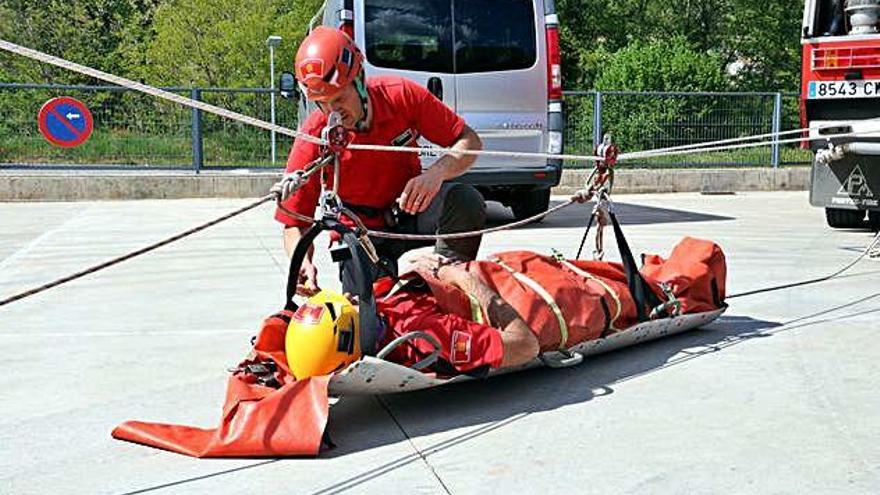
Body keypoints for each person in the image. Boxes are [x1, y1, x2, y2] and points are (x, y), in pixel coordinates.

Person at [285, 237, 728, 378]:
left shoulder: (373, 314)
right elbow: (522, 345)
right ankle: (692, 272)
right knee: (639, 290)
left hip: (512, 272)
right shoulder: (430, 339)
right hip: (533, 300)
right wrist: (472, 284)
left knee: (610, 270)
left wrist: (426, 268)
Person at [275, 27, 486, 296]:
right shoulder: (316, 135)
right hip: (361, 234)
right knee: (371, 311)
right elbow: (294, 221)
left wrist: (436, 173)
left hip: (409, 212)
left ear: (360, 79)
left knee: (464, 200)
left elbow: (469, 140)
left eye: (339, 98)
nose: (332, 112)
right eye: (322, 103)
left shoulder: (400, 96)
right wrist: (301, 261)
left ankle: (448, 284)